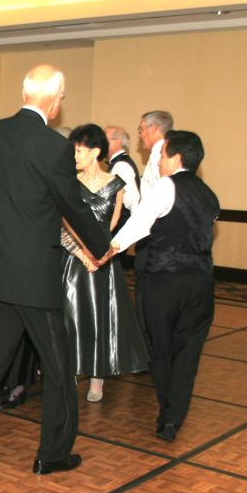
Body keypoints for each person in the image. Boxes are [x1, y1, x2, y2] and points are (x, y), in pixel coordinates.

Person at [0, 65, 110, 474]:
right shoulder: (53, 146)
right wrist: (103, 247)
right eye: (62, 98)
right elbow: (72, 205)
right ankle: (53, 453)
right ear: (54, 100)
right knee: (60, 365)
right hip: (33, 279)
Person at [112, 130, 219, 442]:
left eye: (161, 154)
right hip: (201, 283)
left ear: (176, 157)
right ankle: (173, 417)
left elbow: (139, 224)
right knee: (188, 353)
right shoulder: (209, 194)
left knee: (159, 348)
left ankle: (168, 413)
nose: (157, 160)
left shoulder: (165, 186)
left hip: (164, 281)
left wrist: (107, 249)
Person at [60, 124, 148, 403]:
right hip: (73, 260)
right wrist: (82, 254)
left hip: (103, 261)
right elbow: (60, 225)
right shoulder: (68, 183)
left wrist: (100, 255)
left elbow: (111, 226)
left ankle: (97, 380)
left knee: (101, 319)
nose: (74, 156)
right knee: (69, 317)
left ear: (96, 152)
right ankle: (68, 371)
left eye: (79, 151)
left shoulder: (116, 185)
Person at [134, 111, 174, 335]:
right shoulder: (160, 154)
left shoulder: (161, 154)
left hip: (153, 235)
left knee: (146, 291)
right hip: (152, 234)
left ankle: (146, 344)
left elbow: (155, 204)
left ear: (153, 129)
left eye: (141, 129)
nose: (139, 135)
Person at [104, 125, 140, 233]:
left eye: (104, 139)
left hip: (118, 232)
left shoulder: (121, 166)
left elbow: (132, 201)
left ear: (117, 141)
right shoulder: (119, 164)